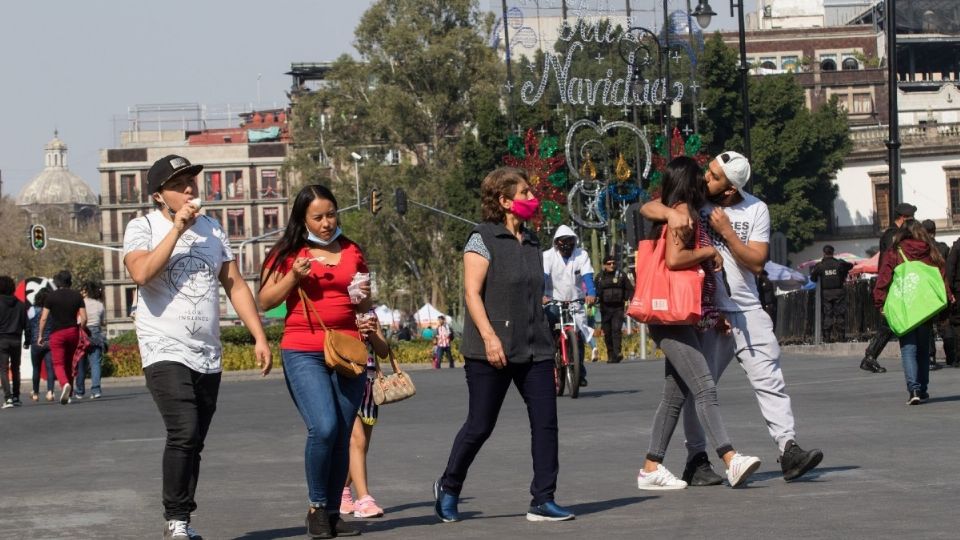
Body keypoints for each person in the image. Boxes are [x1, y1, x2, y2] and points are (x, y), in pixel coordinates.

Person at [642, 150, 823, 484]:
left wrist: (726, 233)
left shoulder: (756, 209)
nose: (706, 178)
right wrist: (670, 212)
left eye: (714, 177)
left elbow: (756, 262)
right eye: (709, 171)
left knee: (769, 379)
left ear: (729, 189)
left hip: (747, 308)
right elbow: (647, 207)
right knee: (700, 387)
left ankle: (788, 449)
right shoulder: (696, 198)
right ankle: (697, 459)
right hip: (708, 312)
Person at [124, 154, 272, 540]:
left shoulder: (213, 230)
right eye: (179, 184)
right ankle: (176, 520)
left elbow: (235, 284)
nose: (190, 188)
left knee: (195, 441)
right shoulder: (142, 228)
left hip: (206, 352)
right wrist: (176, 230)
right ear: (159, 195)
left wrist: (258, 335)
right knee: (184, 431)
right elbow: (141, 273)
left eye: (191, 180)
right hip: (162, 347)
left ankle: (182, 520)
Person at [435, 167, 574, 523]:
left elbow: (532, 292)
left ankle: (543, 499)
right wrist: (490, 336)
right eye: (525, 193)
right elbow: (471, 292)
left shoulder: (531, 242)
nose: (533, 199)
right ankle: (449, 487)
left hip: (535, 348)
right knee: (480, 424)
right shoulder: (481, 238)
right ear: (504, 200)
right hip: (490, 350)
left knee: (546, 423)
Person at [635, 157, 761, 490]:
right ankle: (730, 458)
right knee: (704, 386)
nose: (705, 182)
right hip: (671, 317)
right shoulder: (682, 213)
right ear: (689, 183)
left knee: (674, 396)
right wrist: (708, 254)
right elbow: (676, 261)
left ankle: (651, 467)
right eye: (700, 178)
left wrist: (712, 314)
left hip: (679, 315)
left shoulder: (679, 211)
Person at [259, 183, 373, 539]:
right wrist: (294, 276)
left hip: (349, 350)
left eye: (331, 214)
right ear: (302, 218)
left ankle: (334, 512)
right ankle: (316, 507)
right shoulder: (290, 252)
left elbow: (363, 302)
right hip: (303, 348)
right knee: (323, 427)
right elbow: (264, 301)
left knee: (341, 432)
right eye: (318, 217)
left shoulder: (352, 249)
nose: (326, 223)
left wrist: (366, 306)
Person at [873, 219, 952, 404]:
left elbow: (884, 278)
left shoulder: (895, 252)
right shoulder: (930, 250)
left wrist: (880, 302)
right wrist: (946, 298)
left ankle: (914, 390)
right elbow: (942, 276)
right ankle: (923, 389)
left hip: (905, 305)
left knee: (908, 348)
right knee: (924, 349)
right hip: (925, 306)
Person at [341, 312, 390, 520]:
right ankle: (364, 500)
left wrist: (372, 332)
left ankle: (341, 493)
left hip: (369, 386)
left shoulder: (370, 313)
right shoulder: (340, 309)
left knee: (361, 447)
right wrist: (355, 331)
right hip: (346, 380)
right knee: (357, 441)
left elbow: (383, 351)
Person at [860, 203, 917, 373]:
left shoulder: (893, 234)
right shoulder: (893, 235)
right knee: (889, 323)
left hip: (893, 282)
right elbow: (890, 261)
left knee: (891, 322)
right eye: (911, 218)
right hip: (893, 283)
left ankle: (870, 356)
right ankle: (870, 356)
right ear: (903, 218)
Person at [542, 224, 596, 386]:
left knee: (578, 336)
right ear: (556, 243)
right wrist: (541, 295)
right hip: (553, 300)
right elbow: (543, 277)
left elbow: (587, 276)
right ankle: (551, 361)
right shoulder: (548, 256)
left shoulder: (581, 255)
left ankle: (580, 372)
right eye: (563, 241)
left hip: (575, 300)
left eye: (570, 241)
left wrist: (591, 293)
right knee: (550, 329)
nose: (567, 245)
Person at [38, 270, 86, 405]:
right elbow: (84, 318)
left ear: (58, 282)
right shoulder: (77, 296)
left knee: (58, 363)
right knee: (70, 363)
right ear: (70, 282)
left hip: (57, 334)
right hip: (73, 332)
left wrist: (40, 336)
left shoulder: (51, 297)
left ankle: (64, 384)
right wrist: (80, 329)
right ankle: (69, 394)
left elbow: (43, 318)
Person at [809, 245, 853, 343]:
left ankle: (827, 338)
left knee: (827, 314)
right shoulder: (839, 263)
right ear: (833, 252)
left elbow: (813, 278)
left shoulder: (820, 266)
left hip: (826, 293)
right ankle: (841, 337)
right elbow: (850, 266)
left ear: (824, 253)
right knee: (840, 314)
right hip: (839, 292)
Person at [922, 219, 950, 371]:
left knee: (928, 325)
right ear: (935, 231)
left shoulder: (921, 249)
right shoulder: (943, 248)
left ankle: (931, 357)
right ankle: (951, 355)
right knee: (945, 323)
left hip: (927, 290)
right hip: (941, 288)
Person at [596, 254, 632, 363]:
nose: (612, 265)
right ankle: (611, 355)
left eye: (613, 263)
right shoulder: (599, 277)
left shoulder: (621, 275)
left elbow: (629, 289)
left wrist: (626, 299)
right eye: (609, 263)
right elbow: (595, 291)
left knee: (616, 330)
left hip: (618, 308)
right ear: (604, 265)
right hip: (605, 308)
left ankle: (617, 353)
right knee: (607, 332)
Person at [75, 281, 106, 399]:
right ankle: (96, 390)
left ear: (86, 291)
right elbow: (102, 322)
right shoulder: (99, 304)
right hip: (96, 334)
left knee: (81, 363)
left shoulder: (80, 303)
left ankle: (79, 391)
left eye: (83, 290)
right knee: (95, 363)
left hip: (83, 332)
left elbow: (79, 319)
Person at [0, 275, 28, 409]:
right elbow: (26, 324)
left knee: (3, 369)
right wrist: (27, 340)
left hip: (1, 340)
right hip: (16, 339)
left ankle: (8, 398)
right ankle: (16, 396)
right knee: (16, 368)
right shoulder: (21, 305)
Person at [23, 288, 56, 402]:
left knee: (36, 368)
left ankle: (36, 393)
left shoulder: (32, 310)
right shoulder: (53, 311)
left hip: (36, 342)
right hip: (50, 342)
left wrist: (27, 342)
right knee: (49, 368)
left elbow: (27, 328)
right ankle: (50, 392)